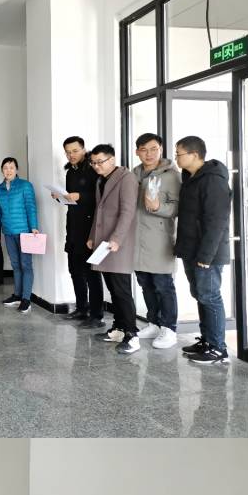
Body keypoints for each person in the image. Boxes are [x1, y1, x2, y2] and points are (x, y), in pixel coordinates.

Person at [174, 135, 233, 365]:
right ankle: (207, 341)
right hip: (191, 250)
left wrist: (206, 256)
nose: (177, 158)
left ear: (194, 154)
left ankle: (218, 348)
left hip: (207, 253)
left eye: (179, 154)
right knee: (200, 295)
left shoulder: (213, 180)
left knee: (210, 296)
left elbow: (216, 221)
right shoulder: (190, 177)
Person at [86, 144, 141, 354]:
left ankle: (132, 334)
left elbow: (128, 211)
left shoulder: (126, 179)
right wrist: (92, 236)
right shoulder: (100, 180)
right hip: (103, 242)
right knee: (112, 288)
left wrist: (117, 239)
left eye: (100, 162)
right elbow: (98, 210)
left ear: (112, 159)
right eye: (93, 163)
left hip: (118, 243)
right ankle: (118, 328)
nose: (96, 166)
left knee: (121, 290)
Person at [130, 134, 181, 350]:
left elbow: (178, 208)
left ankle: (169, 328)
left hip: (159, 239)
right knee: (145, 284)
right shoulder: (133, 174)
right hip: (136, 239)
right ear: (137, 152)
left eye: (153, 149)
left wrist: (158, 207)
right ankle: (153, 323)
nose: (149, 154)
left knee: (163, 285)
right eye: (144, 149)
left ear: (160, 150)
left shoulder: (172, 176)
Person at [55, 137, 103, 327]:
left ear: (84, 149)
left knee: (92, 274)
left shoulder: (93, 169)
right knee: (75, 270)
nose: (71, 155)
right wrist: (61, 197)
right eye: (68, 152)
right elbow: (72, 200)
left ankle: (97, 315)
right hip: (73, 228)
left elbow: (100, 198)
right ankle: (82, 309)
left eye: (75, 151)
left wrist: (80, 196)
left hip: (90, 229)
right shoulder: (70, 172)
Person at [0, 157, 40, 313]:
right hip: (8, 232)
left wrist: (34, 227)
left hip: (24, 232)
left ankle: (26, 299)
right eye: (5, 168)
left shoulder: (25, 185)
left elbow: (31, 207)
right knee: (15, 265)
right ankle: (17, 295)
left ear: (16, 169)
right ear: (2, 170)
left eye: (11, 167)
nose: (8, 170)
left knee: (26, 265)